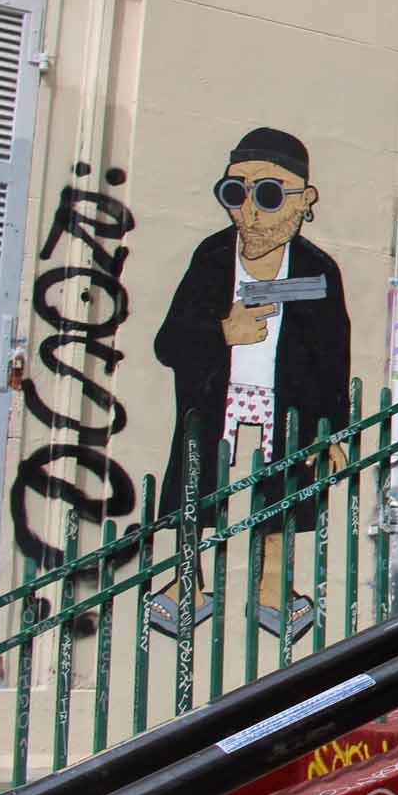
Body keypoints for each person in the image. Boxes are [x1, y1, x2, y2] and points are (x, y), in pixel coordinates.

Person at [148, 128, 350, 640]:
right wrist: (223, 332)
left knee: (282, 488)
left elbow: (333, 357)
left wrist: (334, 431)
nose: (250, 212)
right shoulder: (213, 258)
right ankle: (187, 586)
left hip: (286, 409)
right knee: (200, 488)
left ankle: (273, 591)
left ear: (306, 201)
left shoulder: (317, 270)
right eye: (235, 193)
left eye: (268, 193)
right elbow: (168, 343)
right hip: (214, 404)